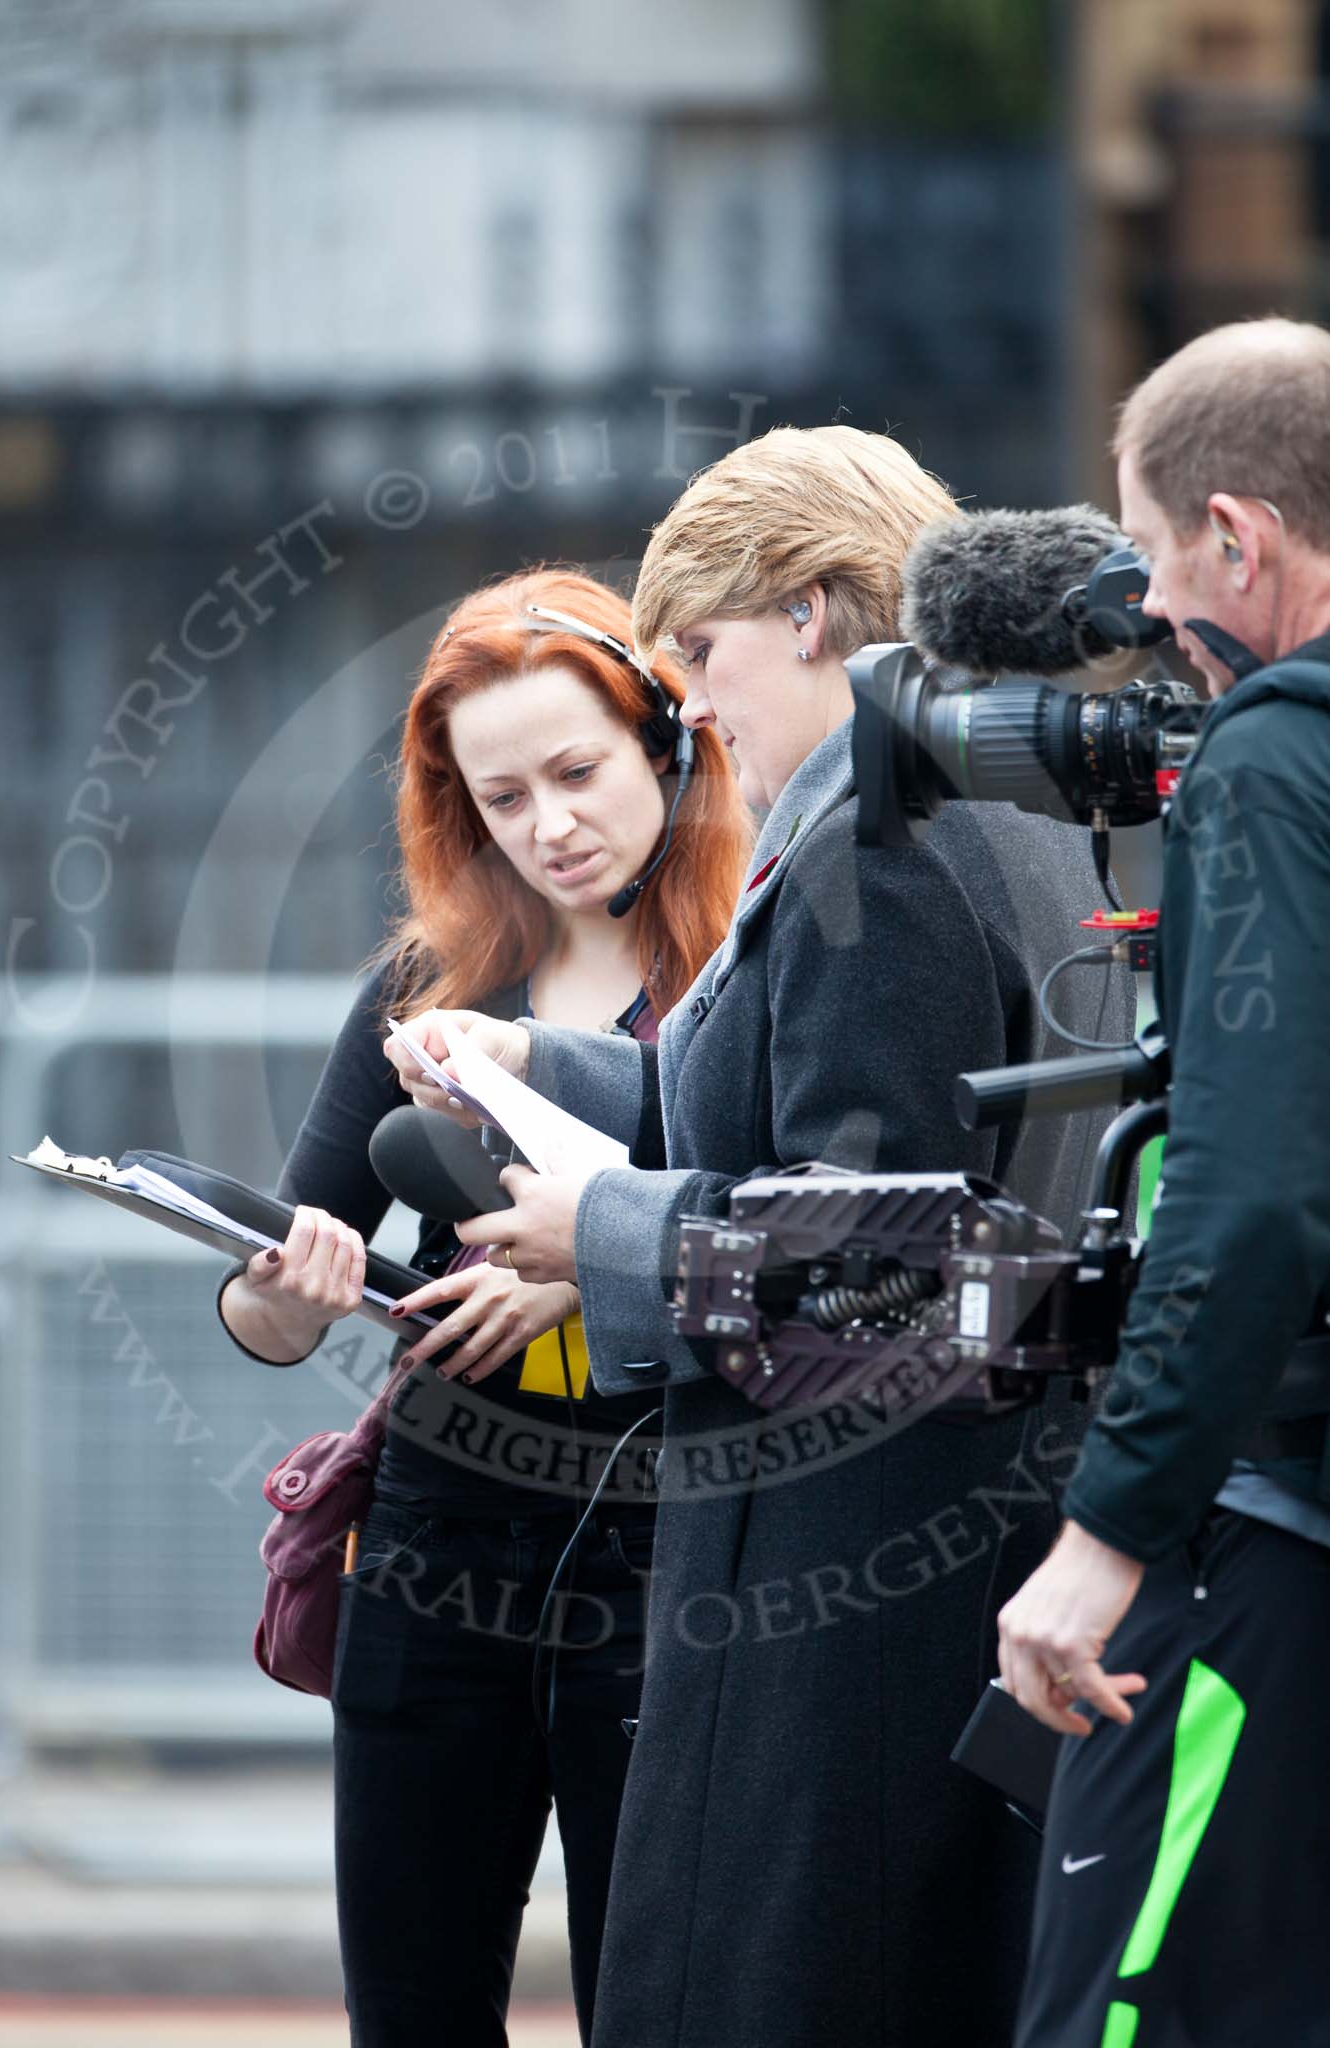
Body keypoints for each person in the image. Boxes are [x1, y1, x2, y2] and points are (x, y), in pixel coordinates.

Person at [390, 425, 1135, 2048]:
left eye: (703, 653)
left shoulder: (882, 841)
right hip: (946, 1549)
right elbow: (798, 1121)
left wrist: (606, 1226)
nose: (695, 704)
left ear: (809, 610)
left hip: (846, 1588)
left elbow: (897, 1269)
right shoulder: (1002, 810)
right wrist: (554, 1066)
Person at [217, 567, 751, 2048]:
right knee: (411, 2007)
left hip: (671, 1552)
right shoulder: (423, 980)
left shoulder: (742, 977)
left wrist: (592, 1260)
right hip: (435, 1553)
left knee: (648, 2006)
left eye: (576, 773)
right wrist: (286, 1289)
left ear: (665, 740)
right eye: (501, 798)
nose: (550, 826)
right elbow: (269, 1306)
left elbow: (814, 1250)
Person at [997, 318, 1330, 2048]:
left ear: (1236, 536)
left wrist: (1105, 1531)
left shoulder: (1277, 753)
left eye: (1147, 556)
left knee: (1129, 2012)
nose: (1145, 609)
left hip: (1280, 1528)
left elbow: (1252, 1186)